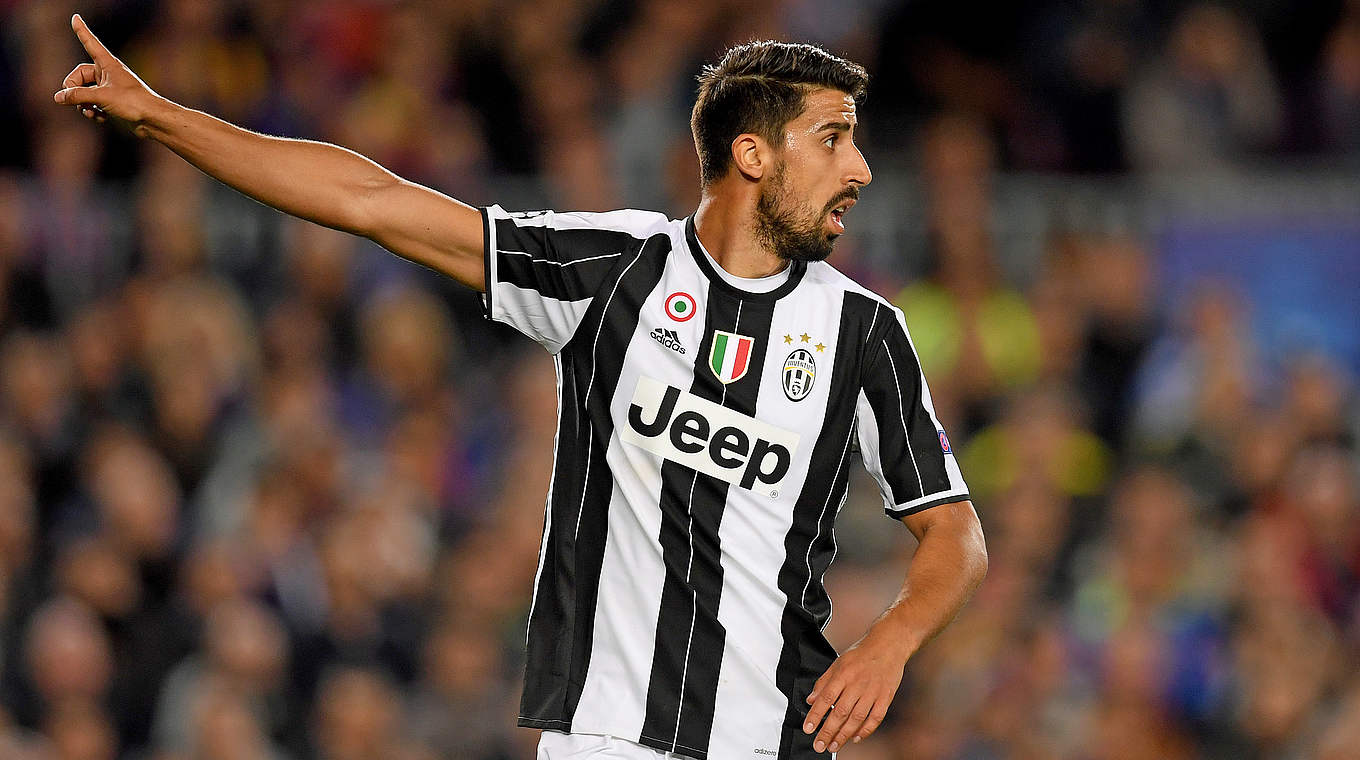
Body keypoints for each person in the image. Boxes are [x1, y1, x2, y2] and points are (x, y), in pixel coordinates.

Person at [54, 14, 987, 759]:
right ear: (754, 154)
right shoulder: (615, 271)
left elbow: (955, 532)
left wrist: (890, 643)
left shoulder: (866, 333)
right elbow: (372, 202)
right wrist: (164, 118)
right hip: (606, 737)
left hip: (772, 741)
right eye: (833, 139)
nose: (861, 169)